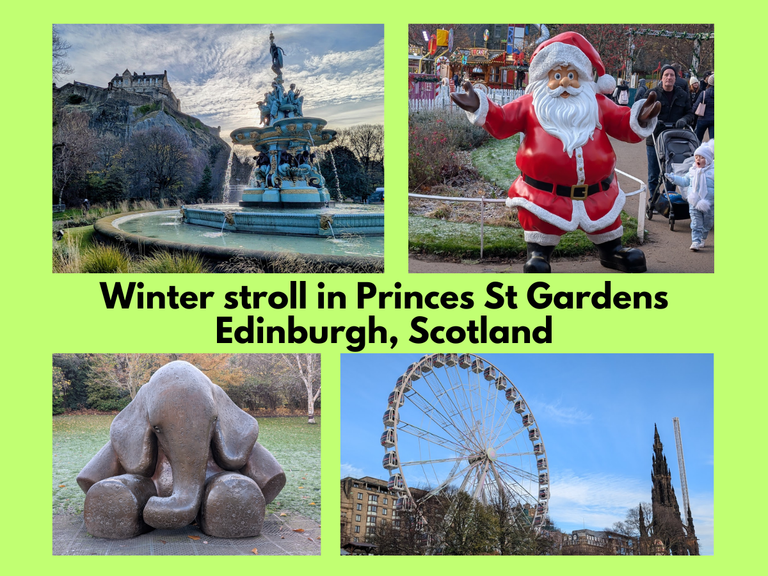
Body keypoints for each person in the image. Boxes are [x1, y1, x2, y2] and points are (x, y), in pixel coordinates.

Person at [451, 32, 660, 273]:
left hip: (599, 194)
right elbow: (503, 120)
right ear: (543, 78)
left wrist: (639, 117)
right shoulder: (531, 103)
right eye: (556, 76)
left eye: (571, 76)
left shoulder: (595, 103)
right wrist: (480, 106)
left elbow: (622, 121)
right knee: (541, 227)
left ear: (582, 78)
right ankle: (539, 253)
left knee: (607, 223)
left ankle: (612, 251)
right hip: (544, 195)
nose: (564, 83)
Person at [645, 65, 695, 199]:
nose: (669, 77)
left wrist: (684, 120)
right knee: (654, 173)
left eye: (672, 75)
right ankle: (654, 200)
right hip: (655, 138)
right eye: (666, 75)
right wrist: (654, 120)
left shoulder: (682, 95)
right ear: (661, 78)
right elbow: (642, 113)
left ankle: (668, 198)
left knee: (673, 171)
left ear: (676, 78)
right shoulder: (652, 94)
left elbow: (690, 113)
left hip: (675, 139)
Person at [665, 140, 714, 251]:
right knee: (696, 222)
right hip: (694, 201)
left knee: (708, 223)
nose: (698, 159)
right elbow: (684, 181)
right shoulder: (692, 171)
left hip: (710, 203)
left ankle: (702, 238)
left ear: (708, 159)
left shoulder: (714, 172)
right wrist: (673, 178)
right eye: (696, 157)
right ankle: (695, 241)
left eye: (701, 157)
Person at [693, 74, 714, 142]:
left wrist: (691, 115)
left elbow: (696, 105)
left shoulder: (704, 93)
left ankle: (696, 151)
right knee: (713, 141)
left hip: (702, 118)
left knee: (697, 139)